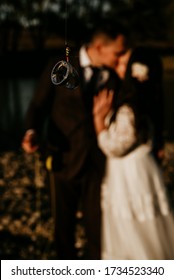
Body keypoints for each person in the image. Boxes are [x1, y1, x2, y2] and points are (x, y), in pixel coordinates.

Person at [21, 19, 129, 260]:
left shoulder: (116, 74)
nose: (122, 58)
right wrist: (31, 132)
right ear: (100, 47)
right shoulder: (59, 65)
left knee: (99, 231)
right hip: (62, 160)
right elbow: (38, 106)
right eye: (118, 52)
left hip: (99, 165)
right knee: (63, 231)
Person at [92, 63, 174, 259]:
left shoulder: (129, 110)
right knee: (144, 221)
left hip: (130, 173)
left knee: (133, 224)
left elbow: (115, 148)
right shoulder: (148, 103)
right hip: (139, 169)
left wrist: (98, 120)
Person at [115, 46, 165, 161]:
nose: (119, 67)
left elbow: (118, 146)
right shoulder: (152, 99)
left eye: (123, 64)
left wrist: (99, 127)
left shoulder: (129, 106)